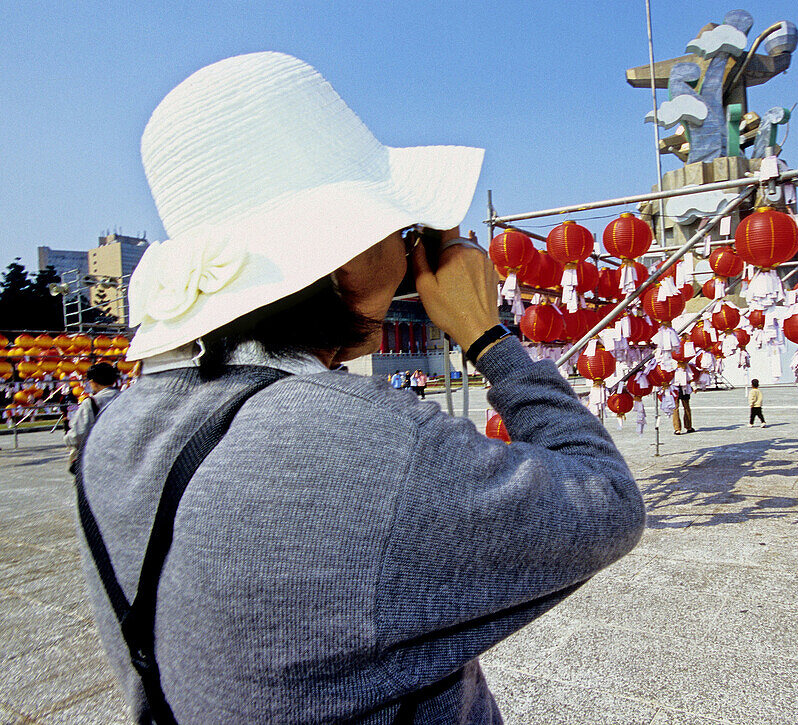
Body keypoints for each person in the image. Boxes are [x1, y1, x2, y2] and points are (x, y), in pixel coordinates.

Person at [77, 52, 645, 724]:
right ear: (343, 256)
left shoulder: (106, 433)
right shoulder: (360, 439)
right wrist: (490, 339)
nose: (412, 252)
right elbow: (606, 501)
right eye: (400, 229)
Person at [64, 362, 120, 474]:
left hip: (99, 459)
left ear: (93, 382)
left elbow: (78, 435)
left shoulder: (91, 403)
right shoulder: (126, 397)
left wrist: (67, 438)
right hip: (123, 455)